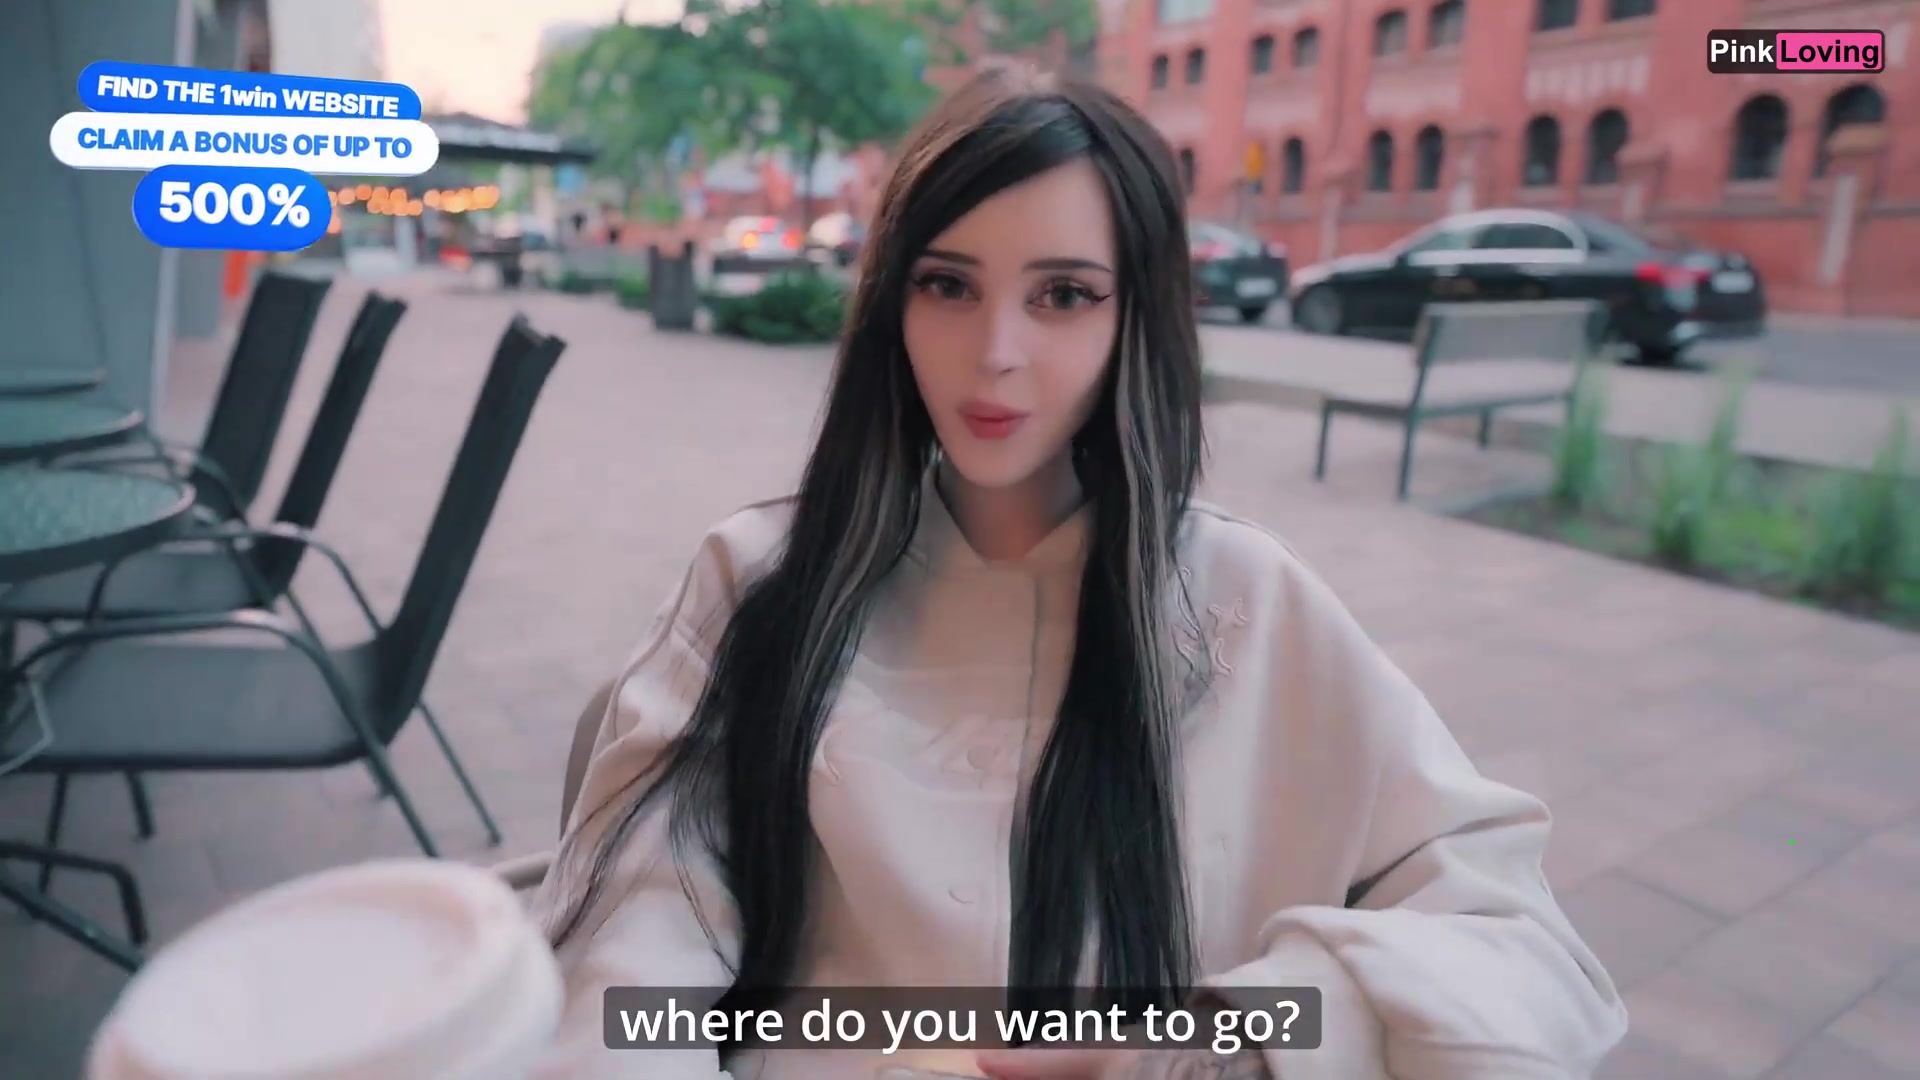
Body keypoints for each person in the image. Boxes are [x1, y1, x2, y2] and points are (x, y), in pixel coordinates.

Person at [526, 67, 1628, 1080]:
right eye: (947, 285)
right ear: (891, 302)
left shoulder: (1243, 602)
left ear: (1134, 316)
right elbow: (632, 949)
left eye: (1062, 294)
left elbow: (1528, 957)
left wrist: (1234, 1043)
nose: (995, 352)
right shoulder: (759, 581)